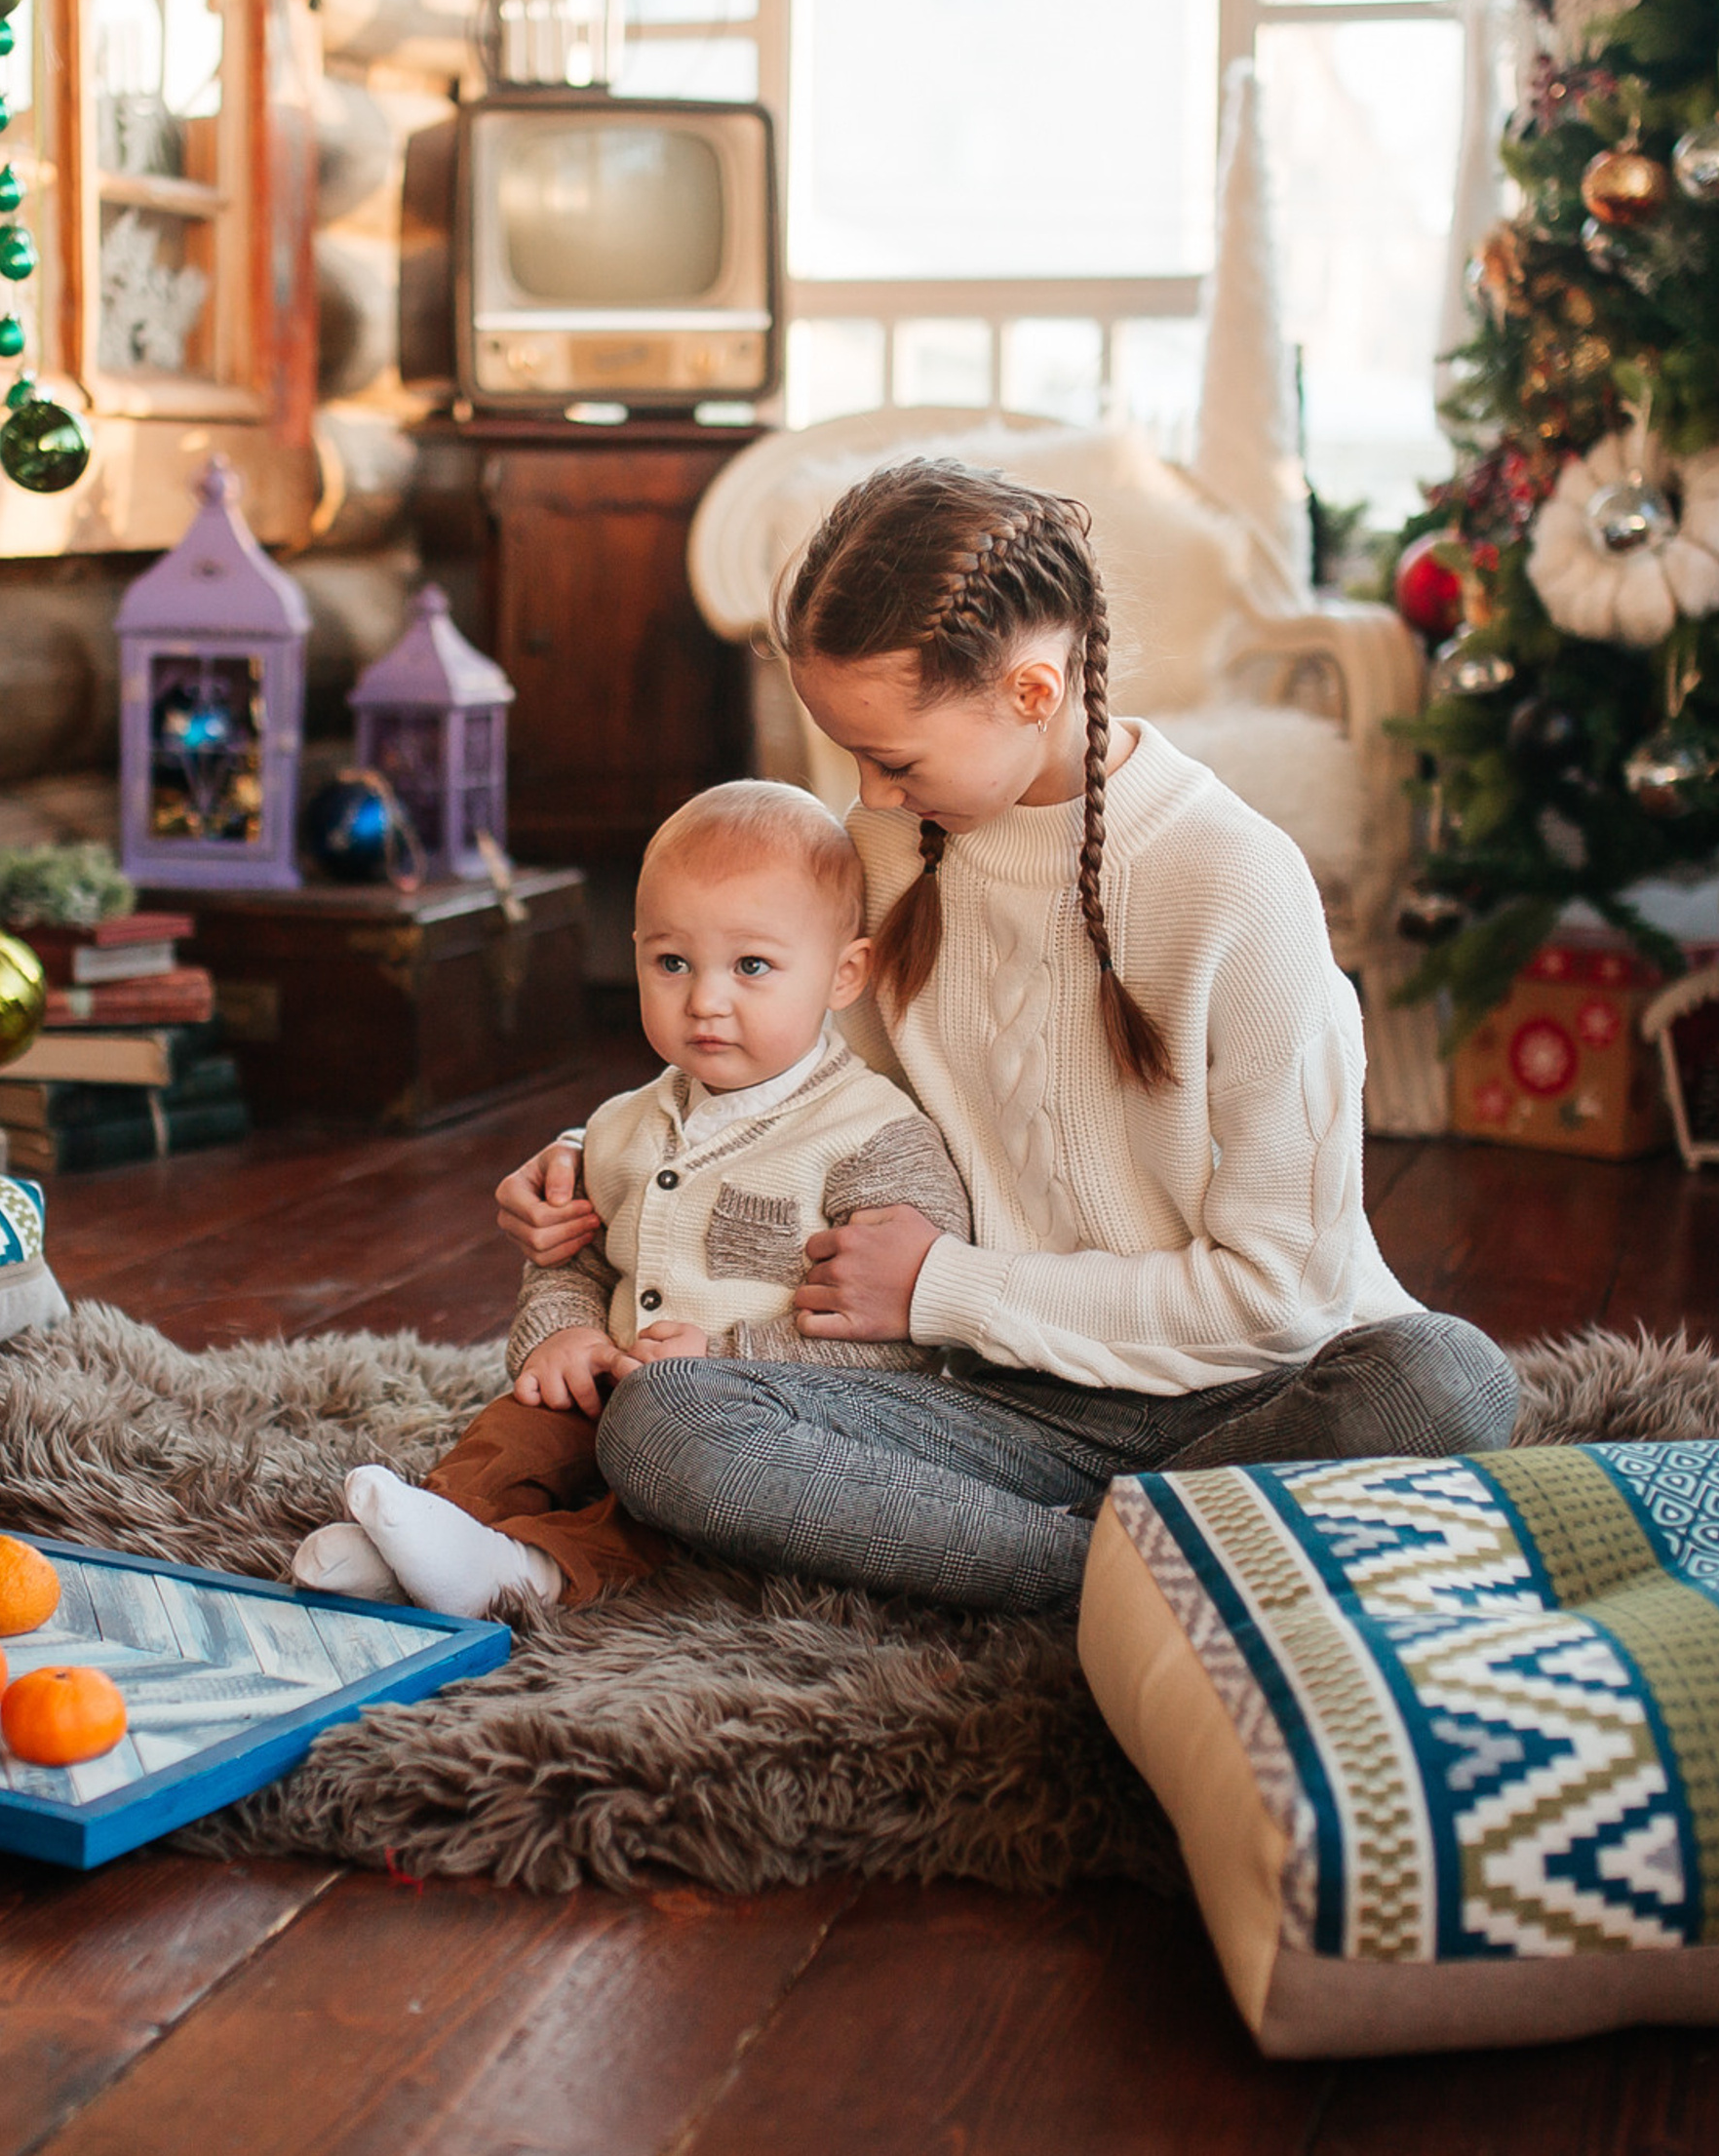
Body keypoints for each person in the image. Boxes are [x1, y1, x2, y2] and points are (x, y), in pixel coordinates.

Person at [494, 458, 1519, 1618]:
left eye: (894, 760)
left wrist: (943, 1285)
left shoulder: (1235, 882)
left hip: (1248, 1401)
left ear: (1033, 692)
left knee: (1445, 1379)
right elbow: (795, 1084)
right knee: (672, 1423)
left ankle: (1034, 1563)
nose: (869, 799)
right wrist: (589, 1153)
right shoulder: (887, 850)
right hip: (992, 1404)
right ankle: (1125, 1572)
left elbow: (1283, 1297)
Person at [293, 778, 969, 1618]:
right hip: (610, 1380)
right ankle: (433, 1524)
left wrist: (730, 1360)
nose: (705, 1000)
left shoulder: (873, 1136)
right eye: (671, 962)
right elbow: (569, 1254)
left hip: (762, 1421)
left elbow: (901, 1340)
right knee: (516, 1429)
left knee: (655, 1511)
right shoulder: (621, 1126)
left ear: (844, 975)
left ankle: (526, 1574)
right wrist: (565, 1332)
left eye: (752, 966)